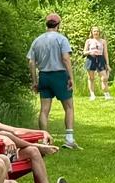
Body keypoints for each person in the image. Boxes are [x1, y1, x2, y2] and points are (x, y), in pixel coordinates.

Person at [27, 12, 77, 148]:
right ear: (58, 25)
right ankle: (69, 139)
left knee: (44, 110)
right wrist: (71, 77)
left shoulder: (37, 40)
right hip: (59, 75)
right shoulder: (61, 39)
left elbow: (31, 62)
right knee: (69, 107)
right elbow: (66, 58)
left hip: (44, 75)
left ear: (46, 24)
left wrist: (34, 81)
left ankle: (44, 139)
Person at [84, 27, 112, 100]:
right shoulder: (88, 41)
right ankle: (92, 95)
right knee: (91, 78)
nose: (96, 33)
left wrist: (107, 64)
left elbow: (105, 53)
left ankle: (106, 94)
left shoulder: (103, 41)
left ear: (99, 32)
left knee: (104, 77)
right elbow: (84, 52)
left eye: (97, 31)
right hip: (91, 59)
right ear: (92, 32)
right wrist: (90, 52)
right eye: (94, 31)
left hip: (100, 59)